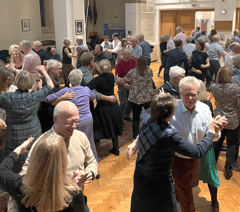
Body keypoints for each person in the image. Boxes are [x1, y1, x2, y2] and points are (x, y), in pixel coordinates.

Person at [129, 93, 223, 212]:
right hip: (159, 182)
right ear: (171, 115)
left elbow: (149, 110)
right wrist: (210, 132)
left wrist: (161, 99)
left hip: (140, 175)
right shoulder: (169, 135)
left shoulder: (146, 117)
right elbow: (197, 152)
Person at [7, 101, 98, 212]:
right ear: (55, 119)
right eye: (70, 122)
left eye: (77, 121)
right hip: (51, 205)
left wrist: (90, 173)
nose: (74, 126)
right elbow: (25, 177)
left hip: (76, 199)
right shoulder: (42, 144)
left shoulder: (81, 137)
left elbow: (92, 161)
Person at [0, 135, 86, 212]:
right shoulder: (73, 196)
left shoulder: (20, 187)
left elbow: (2, 169)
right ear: (63, 161)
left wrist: (18, 150)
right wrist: (75, 185)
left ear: (35, 159)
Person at [0, 68, 54, 173]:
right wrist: (44, 72)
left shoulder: (6, 97)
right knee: (34, 159)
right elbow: (51, 85)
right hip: (34, 133)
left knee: (15, 159)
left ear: (16, 81)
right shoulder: (35, 95)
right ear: (31, 82)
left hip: (13, 135)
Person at [45, 69, 98, 161]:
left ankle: (76, 162)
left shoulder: (66, 91)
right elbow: (93, 97)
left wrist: (62, 97)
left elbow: (48, 98)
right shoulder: (86, 89)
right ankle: (94, 163)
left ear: (69, 80)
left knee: (73, 143)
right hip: (87, 120)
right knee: (89, 141)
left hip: (73, 121)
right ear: (81, 80)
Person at [87, 59, 123, 156]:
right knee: (114, 126)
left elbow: (87, 87)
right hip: (113, 105)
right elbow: (104, 74)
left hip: (103, 106)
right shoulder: (111, 76)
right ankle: (116, 148)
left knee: (99, 128)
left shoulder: (97, 79)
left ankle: (94, 152)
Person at [211, 66, 240, 180]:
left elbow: (217, 101)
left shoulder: (214, 86)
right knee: (232, 143)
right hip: (233, 119)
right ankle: (229, 166)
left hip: (219, 117)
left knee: (217, 142)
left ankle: (212, 165)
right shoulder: (236, 88)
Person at [116, 56, 154, 139]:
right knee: (150, 116)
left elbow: (122, 80)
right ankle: (151, 134)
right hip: (148, 98)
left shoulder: (132, 72)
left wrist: (116, 79)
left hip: (136, 99)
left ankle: (135, 137)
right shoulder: (149, 71)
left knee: (136, 118)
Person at [197, 80, 220, 211]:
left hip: (202, 143)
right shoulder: (206, 103)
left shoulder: (205, 104)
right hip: (206, 143)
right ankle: (214, 201)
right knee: (211, 175)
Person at [37, 59, 75, 133]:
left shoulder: (56, 79)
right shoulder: (46, 81)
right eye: (59, 69)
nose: (61, 70)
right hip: (46, 115)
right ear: (52, 69)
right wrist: (64, 97)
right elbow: (50, 102)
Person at [115, 49, 136, 130]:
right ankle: (120, 121)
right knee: (123, 103)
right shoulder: (119, 64)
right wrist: (124, 84)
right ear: (122, 55)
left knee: (130, 102)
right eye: (126, 54)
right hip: (122, 86)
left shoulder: (133, 61)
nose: (128, 56)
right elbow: (117, 77)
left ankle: (126, 116)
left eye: (129, 54)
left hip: (131, 86)